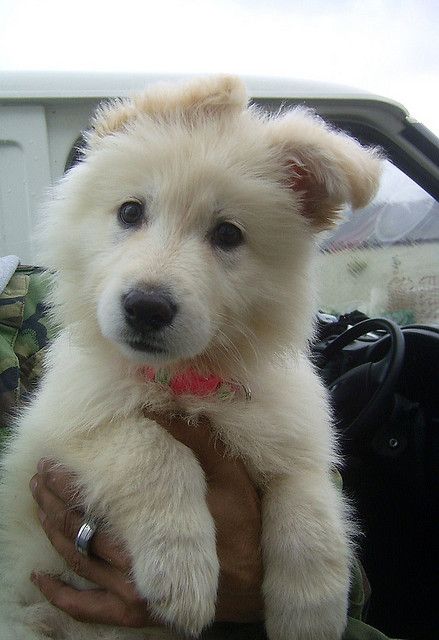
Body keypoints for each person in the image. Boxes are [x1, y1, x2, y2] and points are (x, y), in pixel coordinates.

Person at [0, 264, 391, 639]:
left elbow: (300, 473)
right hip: (37, 614)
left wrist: (299, 561)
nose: (152, 284)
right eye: (132, 214)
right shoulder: (79, 354)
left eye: (226, 234)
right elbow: (65, 437)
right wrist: (154, 479)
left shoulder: (286, 389)